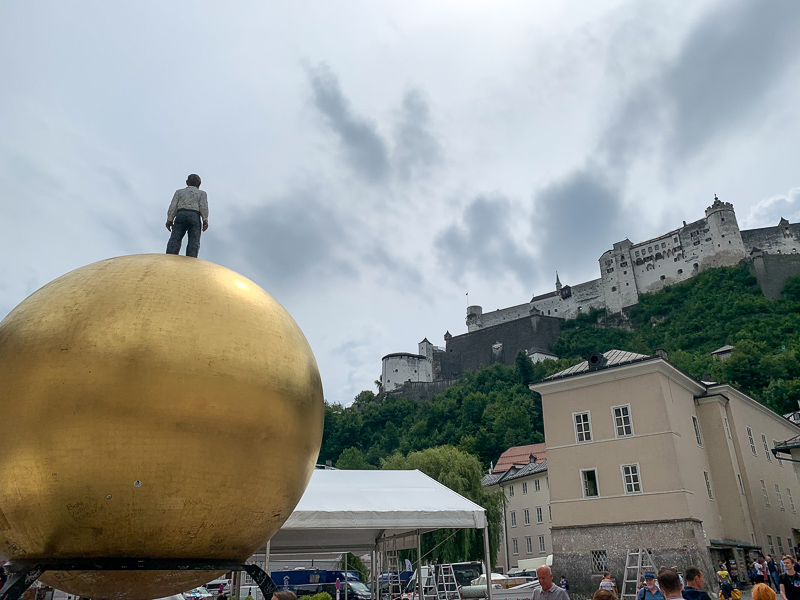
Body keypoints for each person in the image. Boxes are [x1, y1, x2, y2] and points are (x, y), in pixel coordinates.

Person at [166, 173, 209, 258]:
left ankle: (170, 256)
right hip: (194, 216)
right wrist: (205, 220)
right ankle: (191, 259)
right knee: (194, 240)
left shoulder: (179, 192)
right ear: (199, 184)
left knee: (175, 238)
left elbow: (173, 206)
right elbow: (203, 207)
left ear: (187, 182)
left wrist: (170, 219)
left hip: (181, 215)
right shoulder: (202, 193)